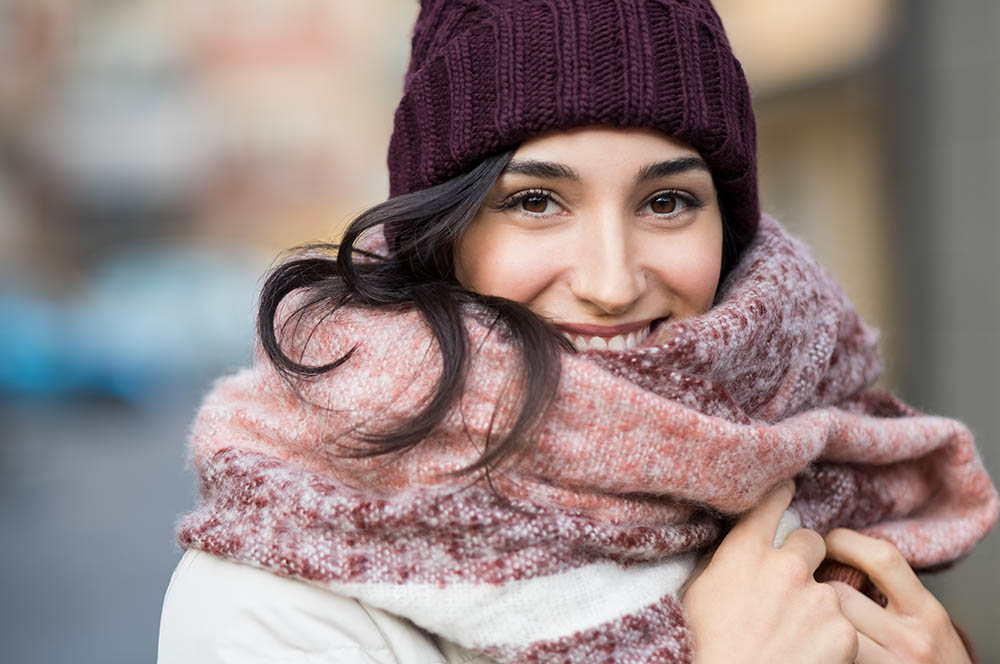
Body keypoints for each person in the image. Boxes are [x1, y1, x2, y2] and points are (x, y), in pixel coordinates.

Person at [158, 1, 998, 662]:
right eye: (535, 201)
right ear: (443, 233)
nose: (610, 281)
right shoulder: (280, 585)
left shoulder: (817, 478)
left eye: (666, 202)